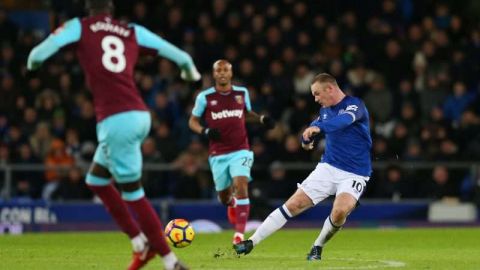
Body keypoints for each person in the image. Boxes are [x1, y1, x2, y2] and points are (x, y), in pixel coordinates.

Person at [27, 1, 201, 269]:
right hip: (138, 115)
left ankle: (170, 261)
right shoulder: (131, 31)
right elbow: (184, 59)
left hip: (117, 121)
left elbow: (37, 55)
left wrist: (33, 67)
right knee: (96, 180)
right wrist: (190, 73)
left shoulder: (80, 27)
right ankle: (139, 243)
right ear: (111, 9)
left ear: (89, 9)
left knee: (133, 193)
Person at [234, 73, 372, 261]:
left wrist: (319, 129)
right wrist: (305, 139)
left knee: (340, 212)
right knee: (293, 204)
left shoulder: (355, 105)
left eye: (317, 94)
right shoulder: (325, 111)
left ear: (330, 89)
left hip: (355, 173)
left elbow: (343, 121)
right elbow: (310, 130)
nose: (315, 99)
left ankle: (317, 246)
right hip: (328, 167)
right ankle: (251, 241)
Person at [189, 59, 275, 244]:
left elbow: (245, 114)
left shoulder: (241, 93)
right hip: (218, 153)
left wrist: (261, 119)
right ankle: (232, 203)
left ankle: (238, 235)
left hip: (240, 150)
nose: (222, 73)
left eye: (225, 70)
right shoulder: (204, 97)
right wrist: (205, 131)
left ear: (231, 73)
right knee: (224, 197)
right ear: (213, 74)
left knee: (241, 184)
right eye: (218, 70)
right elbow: (192, 121)